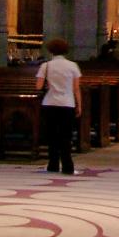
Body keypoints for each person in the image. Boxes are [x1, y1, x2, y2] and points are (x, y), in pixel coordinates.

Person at [34, 37, 82, 175]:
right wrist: (79, 105)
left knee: (52, 136)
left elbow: (38, 86)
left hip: (50, 103)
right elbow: (76, 88)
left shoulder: (46, 66)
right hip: (67, 104)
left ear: (51, 51)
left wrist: (48, 84)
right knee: (66, 136)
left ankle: (53, 164)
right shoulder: (73, 66)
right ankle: (68, 166)